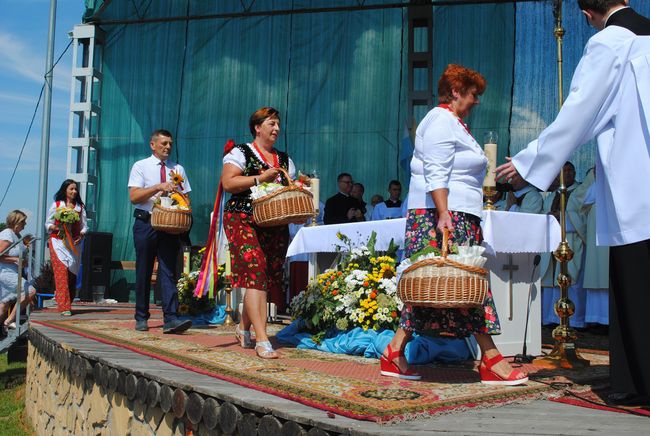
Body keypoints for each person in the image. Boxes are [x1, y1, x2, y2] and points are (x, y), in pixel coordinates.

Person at [496, 0, 650, 405]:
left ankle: (636, 384)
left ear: (586, 14)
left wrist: (528, 163)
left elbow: (579, 112)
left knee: (636, 285)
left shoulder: (611, 42)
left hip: (637, 187)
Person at [383, 64, 527, 385]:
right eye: (474, 94)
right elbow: (436, 169)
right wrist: (444, 213)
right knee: (466, 285)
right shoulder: (440, 120)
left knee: (442, 287)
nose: (477, 101)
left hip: (456, 211)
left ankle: (394, 350)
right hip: (443, 214)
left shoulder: (456, 124)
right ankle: (491, 358)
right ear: (457, 92)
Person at [221, 106, 299, 359]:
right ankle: (262, 339)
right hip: (242, 218)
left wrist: (300, 186)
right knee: (255, 272)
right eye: (271, 124)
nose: (276, 129)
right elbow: (228, 183)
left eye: (277, 124)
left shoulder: (285, 160)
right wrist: (259, 178)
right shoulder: (241, 152)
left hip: (274, 222)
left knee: (265, 275)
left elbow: (289, 188)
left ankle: (243, 327)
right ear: (257, 127)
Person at [128, 129, 192, 334]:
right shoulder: (141, 166)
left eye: (170, 144)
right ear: (152, 144)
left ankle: (171, 318)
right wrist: (158, 187)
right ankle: (141, 316)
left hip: (169, 224)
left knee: (167, 270)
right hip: (146, 222)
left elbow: (186, 197)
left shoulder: (178, 169)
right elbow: (134, 197)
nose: (167, 147)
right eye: (163, 143)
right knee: (144, 270)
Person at [45, 180, 88, 316]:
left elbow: (84, 226)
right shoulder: (57, 205)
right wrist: (57, 227)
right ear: (65, 190)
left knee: (71, 275)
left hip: (73, 245)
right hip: (58, 242)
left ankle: (67, 302)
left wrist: (81, 234)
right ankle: (64, 307)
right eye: (71, 189)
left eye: (75, 189)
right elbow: (48, 223)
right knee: (61, 273)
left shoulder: (80, 207)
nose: (74, 192)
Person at [0, 210, 36, 333]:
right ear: (15, 221)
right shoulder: (7, 234)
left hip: (14, 272)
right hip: (6, 273)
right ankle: (9, 321)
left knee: (4, 305)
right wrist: (16, 259)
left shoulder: (17, 236)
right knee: (30, 291)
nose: (25, 224)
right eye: (23, 222)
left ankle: (2, 330)